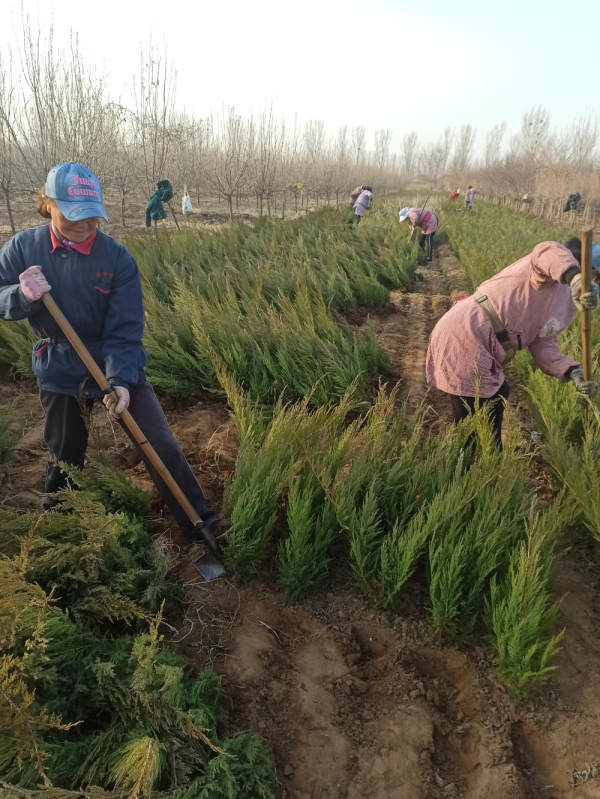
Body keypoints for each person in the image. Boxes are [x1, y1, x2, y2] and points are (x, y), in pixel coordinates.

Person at [0, 161, 226, 540]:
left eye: (92, 218)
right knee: (64, 455)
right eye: (75, 218)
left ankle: (201, 522)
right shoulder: (23, 248)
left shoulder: (116, 258)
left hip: (113, 358)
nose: (87, 227)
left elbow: (125, 329)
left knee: (159, 442)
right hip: (59, 365)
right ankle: (60, 532)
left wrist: (120, 381)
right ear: (48, 203)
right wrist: (19, 295)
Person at [426, 241, 599, 448]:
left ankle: (487, 456)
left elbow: (543, 341)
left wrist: (571, 371)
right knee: (469, 421)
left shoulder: (568, 303)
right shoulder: (547, 271)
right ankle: (465, 467)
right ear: (591, 270)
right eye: (596, 277)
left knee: (498, 395)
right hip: (467, 333)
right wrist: (576, 278)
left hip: (486, 343)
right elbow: (547, 250)